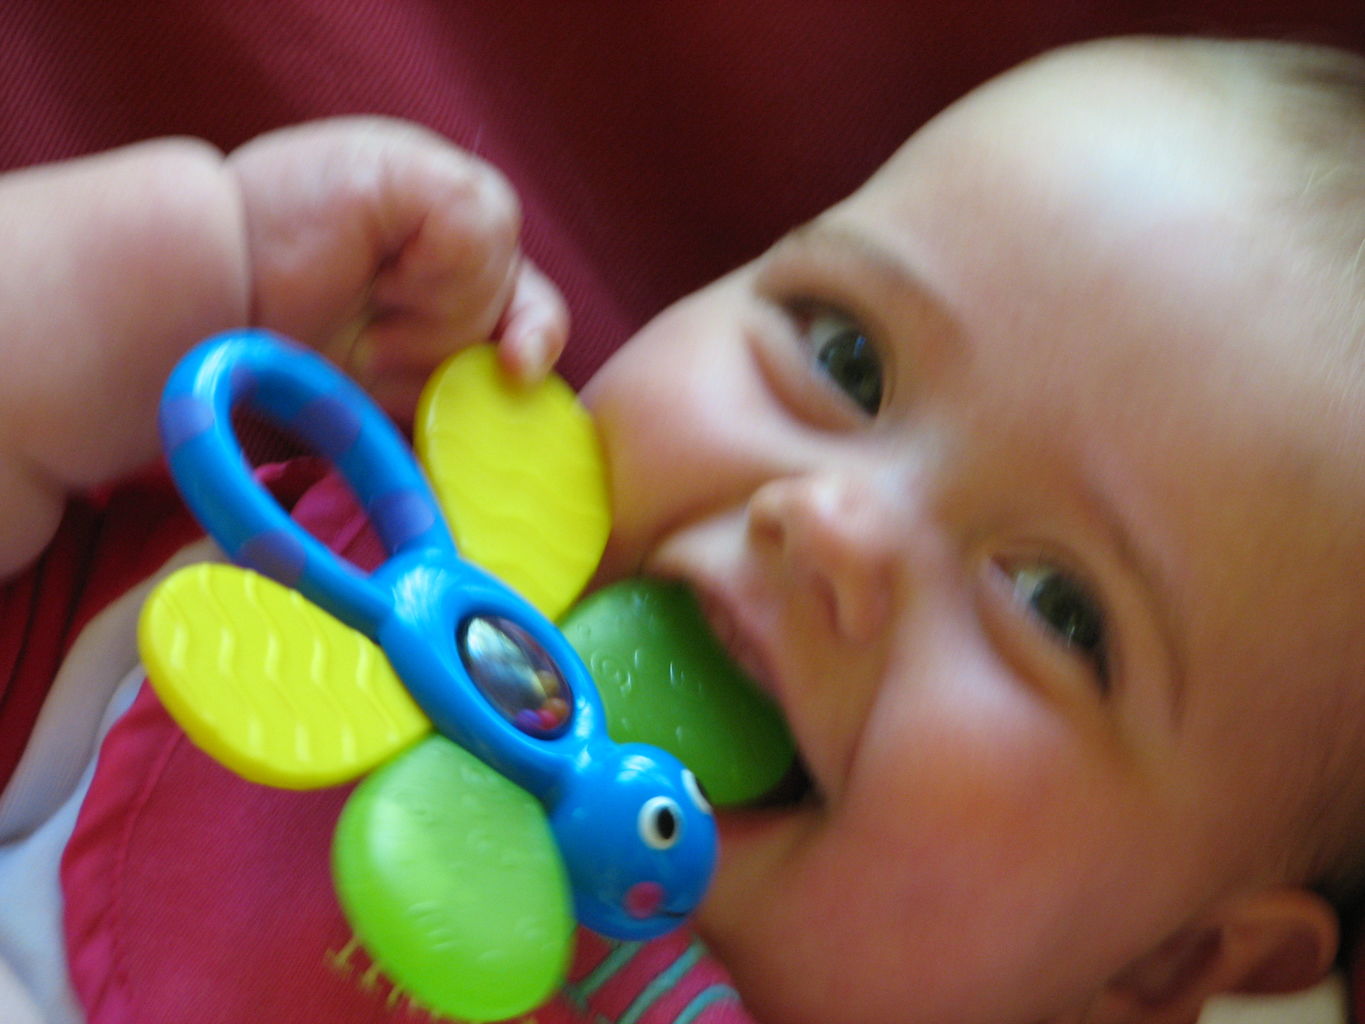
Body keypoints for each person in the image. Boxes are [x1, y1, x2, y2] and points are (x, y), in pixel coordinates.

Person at [2, 32, 1364, 1024]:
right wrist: (201, 265)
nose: (832, 525)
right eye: (843, 358)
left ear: (1168, 967)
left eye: (1056, 608)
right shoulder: (313, 564)